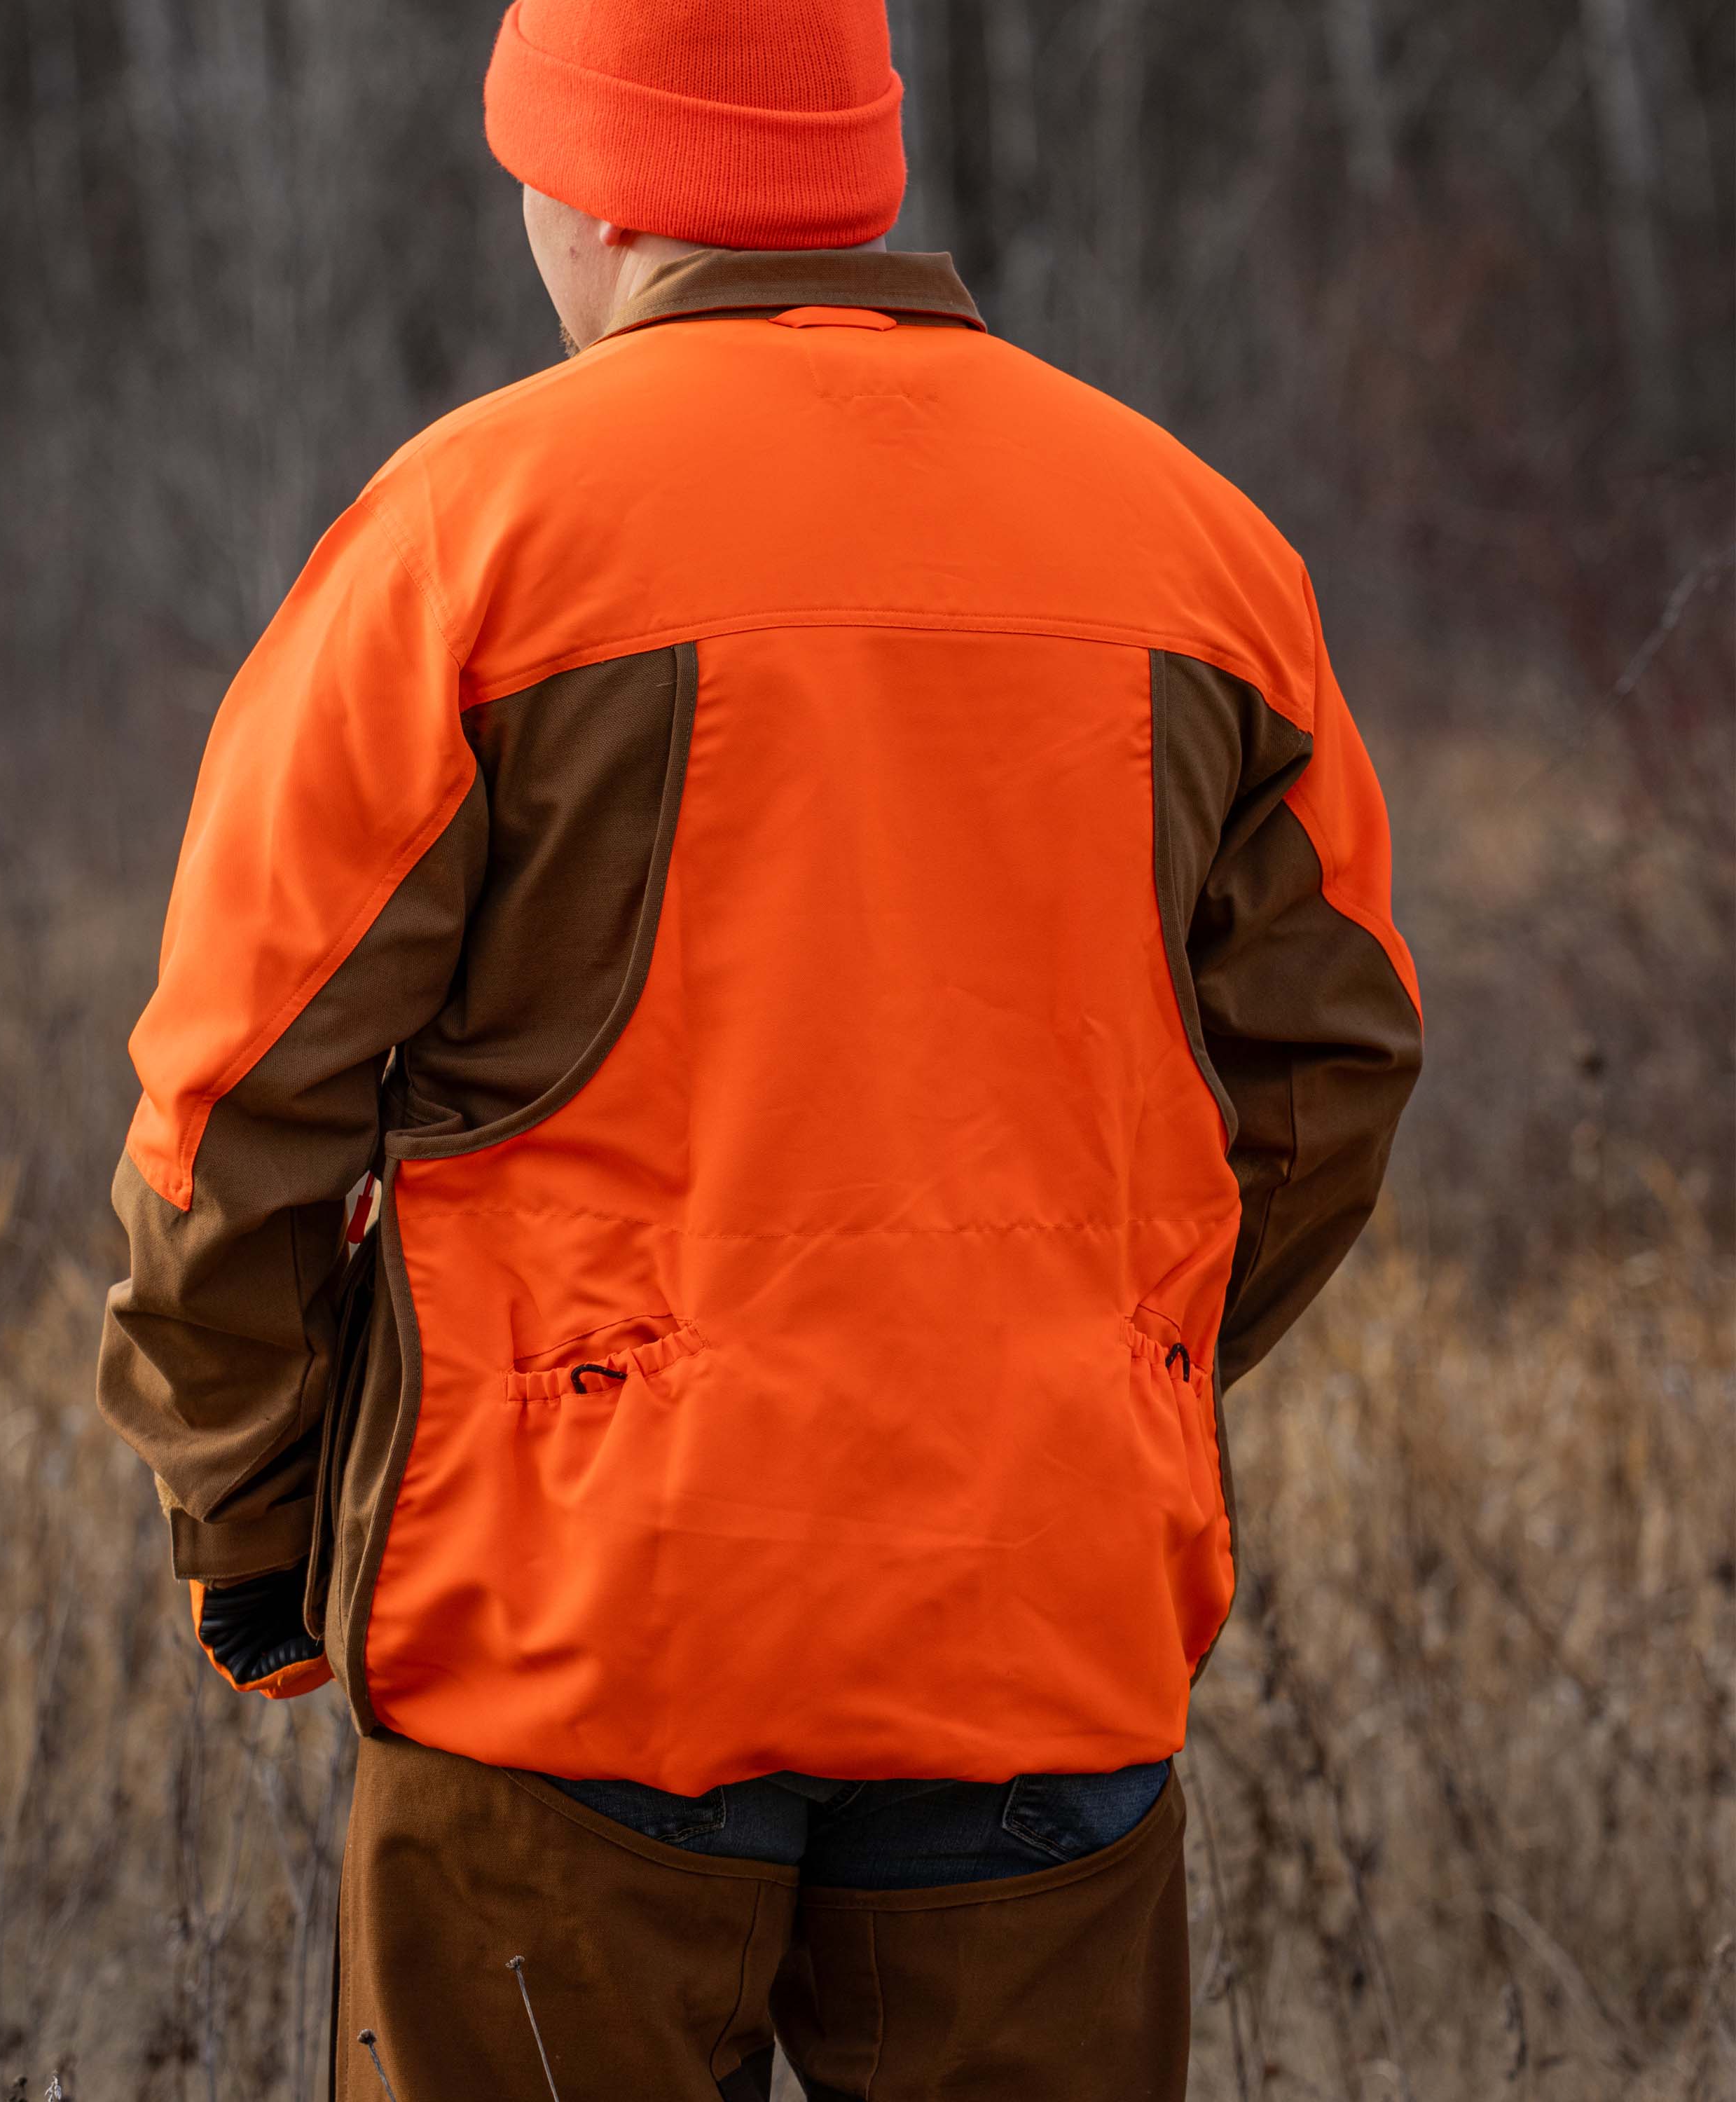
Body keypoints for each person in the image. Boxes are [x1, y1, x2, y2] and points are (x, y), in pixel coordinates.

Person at [95, 2, 1423, 2094]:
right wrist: (1095, 1375)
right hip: (1036, 1615)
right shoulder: (1198, 546)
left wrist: (257, 1530)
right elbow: (1333, 1072)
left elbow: (238, 1106)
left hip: (575, 1637)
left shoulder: (472, 534)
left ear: (599, 182)